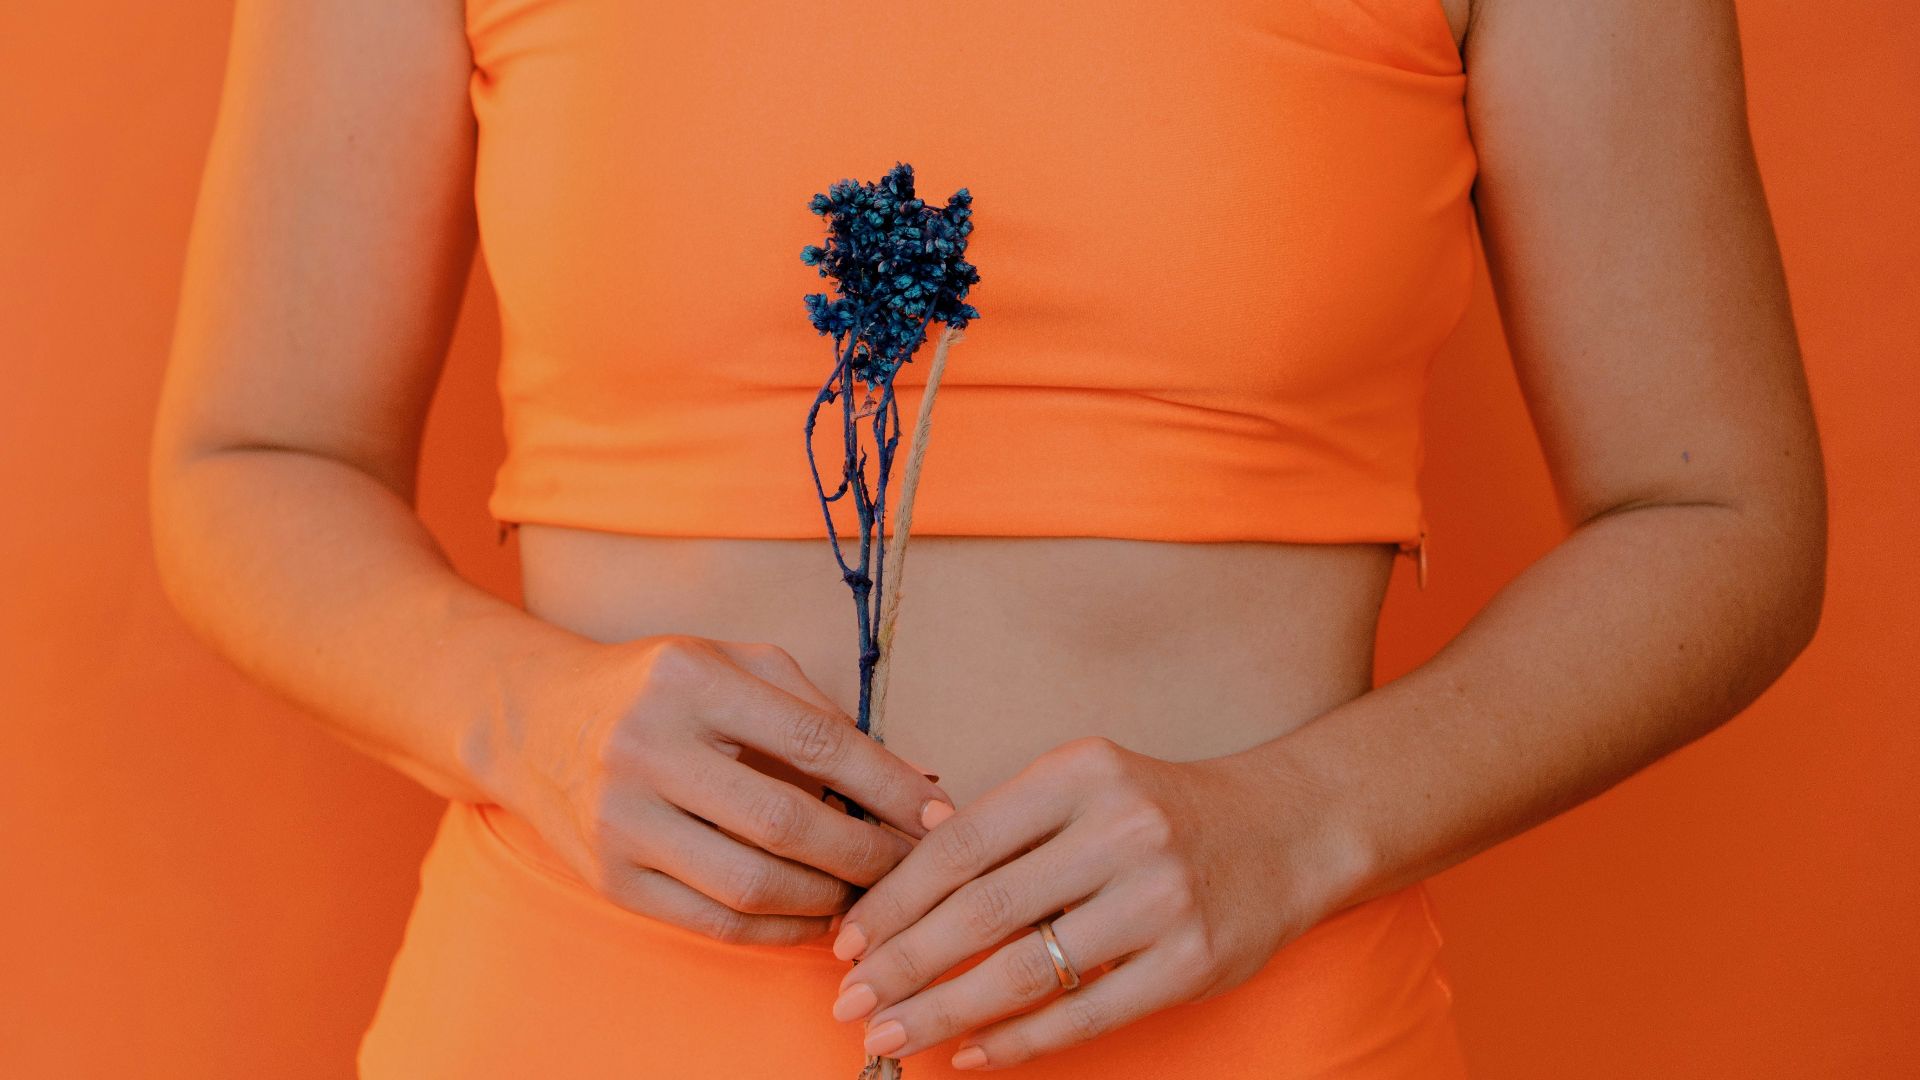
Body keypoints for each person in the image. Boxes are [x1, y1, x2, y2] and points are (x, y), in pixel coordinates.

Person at [148, 0, 1825, 1075]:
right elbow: (252, 458)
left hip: (1268, 1045)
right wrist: (528, 717)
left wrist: (1302, 823)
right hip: (570, 1029)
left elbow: (1719, 515)